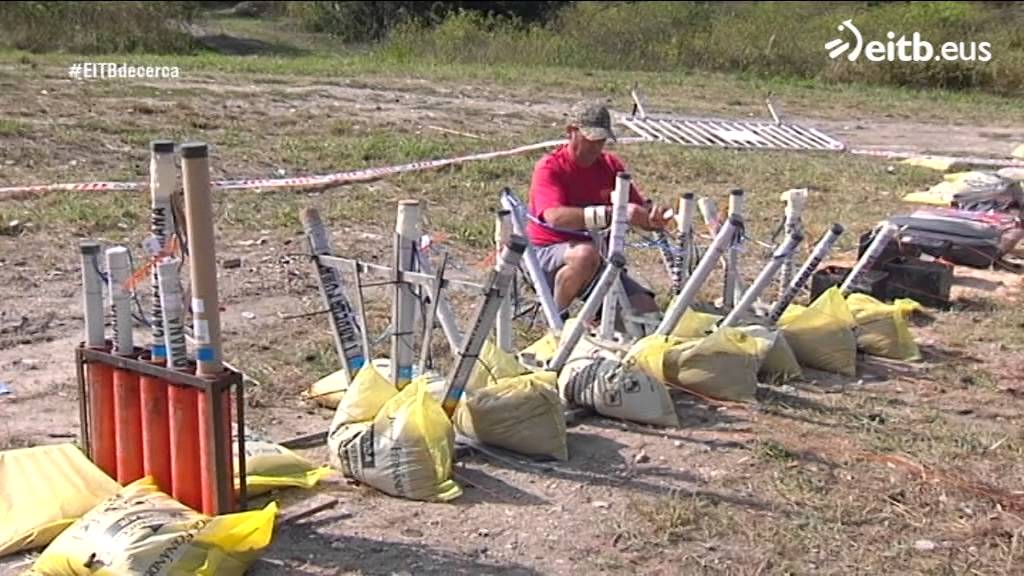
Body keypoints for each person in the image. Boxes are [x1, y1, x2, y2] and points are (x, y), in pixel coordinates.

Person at [526, 100, 671, 321]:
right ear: (571, 132)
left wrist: (651, 218)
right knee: (584, 254)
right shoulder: (550, 167)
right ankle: (555, 321)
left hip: (599, 260)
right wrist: (614, 214)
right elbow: (555, 217)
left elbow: (637, 209)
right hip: (547, 253)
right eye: (591, 139)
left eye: (602, 140)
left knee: (647, 312)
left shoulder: (611, 166)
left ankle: (597, 318)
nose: (596, 146)